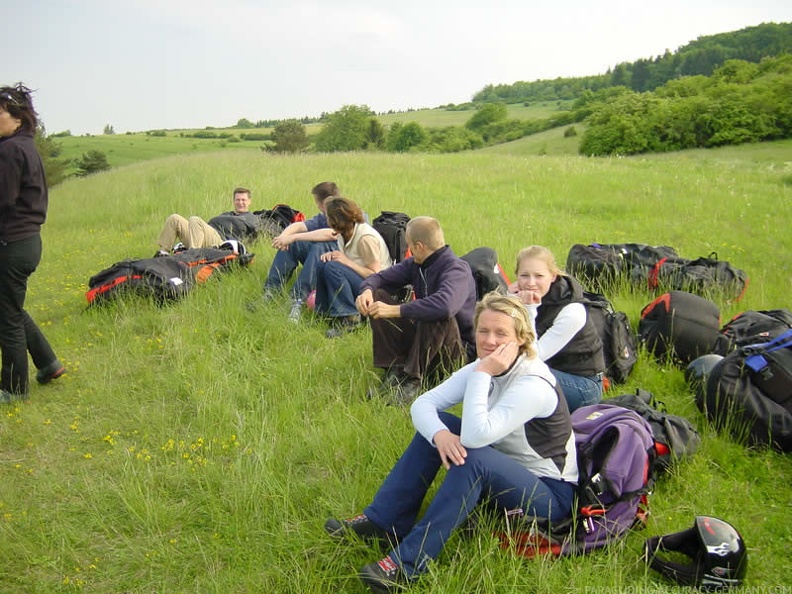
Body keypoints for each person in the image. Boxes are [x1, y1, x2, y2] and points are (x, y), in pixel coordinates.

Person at [325, 292, 578, 593]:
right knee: (441, 425)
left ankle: (407, 565)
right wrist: (439, 435)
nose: (489, 341)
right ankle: (384, 522)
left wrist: (483, 373)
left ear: (521, 339)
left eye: (501, 333)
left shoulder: (532, 383)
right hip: (506, 468)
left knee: (473, 459)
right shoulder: (486, 366)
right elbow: (423, 404)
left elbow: (474, 437)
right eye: (483, 330)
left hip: (548, 495)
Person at [355, 216, 477, 404]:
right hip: (425, 342)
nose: (409, 251)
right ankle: (395, 370)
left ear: (419, 246)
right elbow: (379, 278)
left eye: (410, 245)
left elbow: (445, 306)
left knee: (437, 313)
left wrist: (396, 310)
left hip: (455, 354)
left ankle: (412, 381)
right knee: (379, 296)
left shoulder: (456, 270)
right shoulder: (417, 265)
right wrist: (366, 291)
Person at [0, 84, 65, 404]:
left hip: (11, 243)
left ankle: (13, 390)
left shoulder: (10, 149)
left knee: (6, 316)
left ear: (17, 117)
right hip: (27, 242)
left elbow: (4, 200)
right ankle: (48, 363)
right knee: (10, 307)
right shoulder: (25, 146)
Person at [509, 245, 605, 411]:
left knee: (521, 374)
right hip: (548, 368)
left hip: (583, 385)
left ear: (552, 276)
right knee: (498, 366)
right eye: (524, 275)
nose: (531, 283)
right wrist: (510, 301)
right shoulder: (520, 296)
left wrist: (529, 309)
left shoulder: (572, 311)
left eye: (539, 276)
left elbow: (533, 357)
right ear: (517, 277)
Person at [260, 181, 340, 322]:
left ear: (320, 203)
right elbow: (300, 225)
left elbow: (332, 233)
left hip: (341, 262)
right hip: (322, 259)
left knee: (319, 247)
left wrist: (293, 237)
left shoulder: (349, 212)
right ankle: (271, 291)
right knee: (294, 244)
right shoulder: (323, 216)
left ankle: (298, 300)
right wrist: (284, 237)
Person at [314, 197, 391, 338]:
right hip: (361, 281)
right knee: (324, 263)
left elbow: (376, 275)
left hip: (376, 289)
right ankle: (324, 314)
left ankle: (351, 319)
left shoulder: (365, 238)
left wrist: (345, 262)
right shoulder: (343, 233)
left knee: (333, 268)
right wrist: (334, 256)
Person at [155, 187, 260, 256]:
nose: (240, 203)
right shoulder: (226, 214)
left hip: (220, 243)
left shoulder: (251, 218)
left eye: (243, 200)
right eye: (237, 200)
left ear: (249, 201)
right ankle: (163, 253)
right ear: (233, 201)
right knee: (175, 218)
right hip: (203, 237)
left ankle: (192, 256)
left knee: (194, 219)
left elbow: (255, 237)